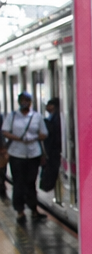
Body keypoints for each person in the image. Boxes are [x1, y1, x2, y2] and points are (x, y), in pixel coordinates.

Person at [3, 92, 47, 221]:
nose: (24, 102)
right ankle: (20, 211)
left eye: (27, 100)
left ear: (30, 102)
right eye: (22, 100)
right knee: (18, 183)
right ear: (18, 102)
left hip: (33, 154)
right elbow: (5, 131)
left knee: (31, 182)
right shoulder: (12, 116)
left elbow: (44, 133)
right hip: (16, 154)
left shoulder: (36, 116)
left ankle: (34, 209)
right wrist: (18, 138)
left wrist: (33, 138)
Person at [39, 97, 61, 196]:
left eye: (49, 105)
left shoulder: (54, 119)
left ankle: (47, 186)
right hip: (54, 151)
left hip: (53, 151)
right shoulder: (53, 118)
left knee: (50, 169)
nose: (47, 107)